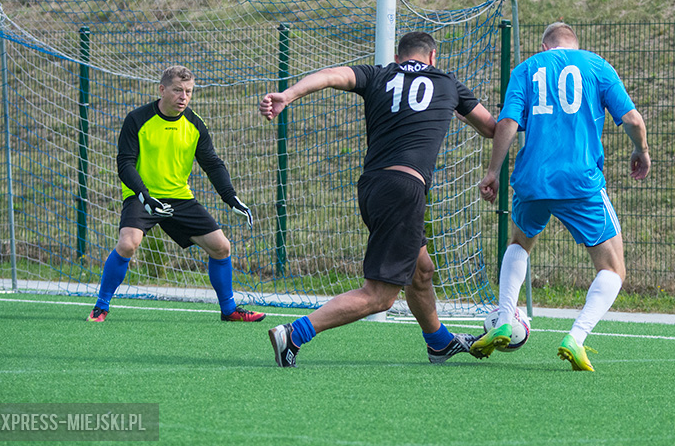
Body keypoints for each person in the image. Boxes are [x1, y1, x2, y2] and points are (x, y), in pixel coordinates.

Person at [259, 31, 497, 367]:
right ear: (432, 57)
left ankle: (439, 342)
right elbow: (492, 128)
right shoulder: (447, 82)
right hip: (405, 190)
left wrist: (289, 94)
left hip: (373, 186)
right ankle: (294, 334)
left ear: (398, 58)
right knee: (380, 296)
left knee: (421, 270)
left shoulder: (378, 74)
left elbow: (330, 75)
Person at [473, 22, 651, 371]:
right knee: (613, 268)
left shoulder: (526, 69)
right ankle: (577, 337)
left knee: (519, 243)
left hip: (532, 180)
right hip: (579, 181)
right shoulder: (595, 65)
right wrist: (641, 150)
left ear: (544, 46)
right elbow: (632, 118)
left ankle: (505, 318)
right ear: (574, 45)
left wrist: (493, 171)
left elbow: (507, 122)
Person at [86, 65, 266, 323]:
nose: (184, 97)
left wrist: (231, 197)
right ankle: (100, 307)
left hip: (179, 198)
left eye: (189, 92)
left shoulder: (195, 124)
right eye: (178, 90)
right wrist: (145, 197)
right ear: (162, 90)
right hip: (142, 197)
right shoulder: (137, 119)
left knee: (221, 247)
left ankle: (229, 310)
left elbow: (212, 163)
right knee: (127, 244)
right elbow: (125, 164)